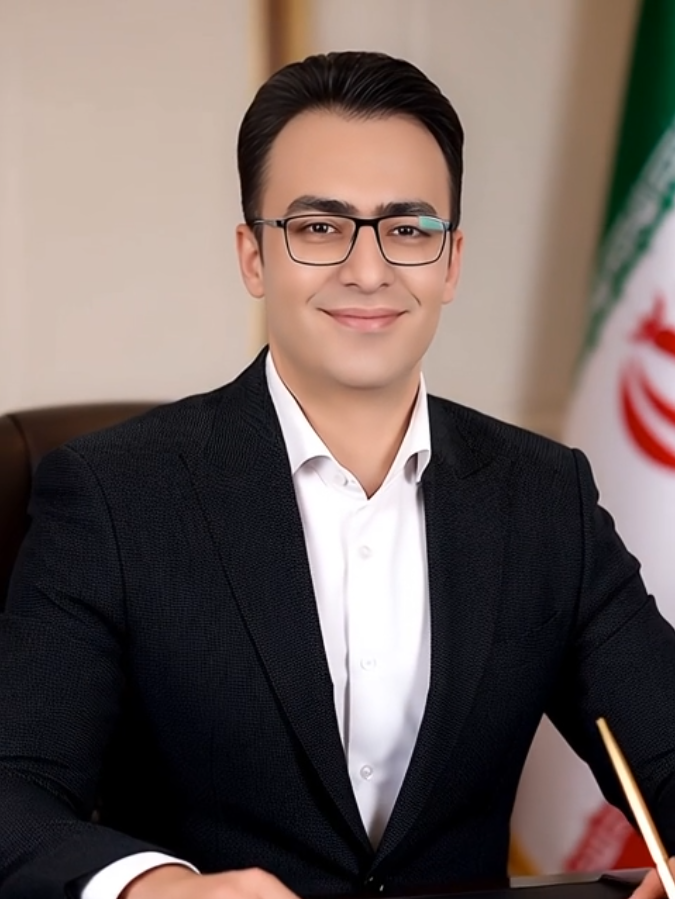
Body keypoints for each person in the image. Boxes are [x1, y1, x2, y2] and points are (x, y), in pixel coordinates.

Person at [1, 49, 675, 899]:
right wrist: (154, 887)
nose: (367, 269)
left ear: (451, 261)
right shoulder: (112, 495)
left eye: (408, 229)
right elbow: (13, 790)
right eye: (319, 228)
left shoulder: (543, 496)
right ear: (254, 256)